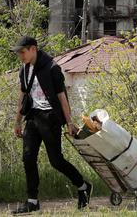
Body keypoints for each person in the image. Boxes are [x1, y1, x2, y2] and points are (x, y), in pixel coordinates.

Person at [10, 36, 92, 213]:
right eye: (19, 53)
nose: (21, 56)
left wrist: (69, 122)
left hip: (51, 118)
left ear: (33, 49)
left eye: (23, 52)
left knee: (56, 161)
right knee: (28, 157)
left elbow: (62, 97)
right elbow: (22, 96)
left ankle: (83, 187)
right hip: (32, 117)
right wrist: (17, 121)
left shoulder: (52, 68)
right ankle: (32, 201)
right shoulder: (24, 70)